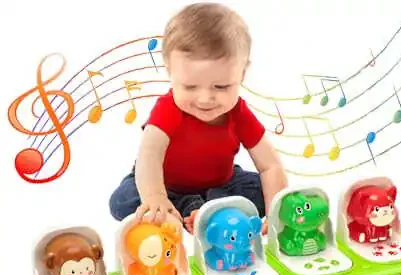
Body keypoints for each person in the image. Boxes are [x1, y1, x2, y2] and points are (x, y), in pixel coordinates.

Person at [109, 2, 288, 234]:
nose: (205, 99)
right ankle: (200, 209)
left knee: (263, 191)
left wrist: (275, 211)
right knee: (122, 201)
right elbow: (149, 156)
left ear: (242, 73)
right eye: (190, 86)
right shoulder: (168, 108)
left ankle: (201, 208)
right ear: (170, 71)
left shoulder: (238, 113)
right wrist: (155, 197)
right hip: (164, 183)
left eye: (221, 86)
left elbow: (270, 166)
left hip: (222, 182)